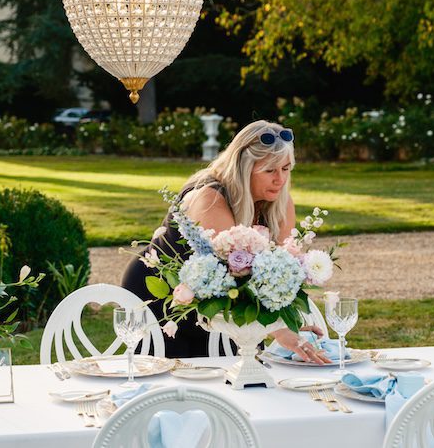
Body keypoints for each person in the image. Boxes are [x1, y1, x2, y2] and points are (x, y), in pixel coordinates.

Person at [122, 120, 331, 362]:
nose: (280, 179)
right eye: (270, 170)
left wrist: (286, 323)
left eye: (286, 169)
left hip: (221, 304)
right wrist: (280, 331)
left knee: (238, 377)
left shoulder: (280, 202)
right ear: (244, 168)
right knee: (172, 383)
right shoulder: (211, 197)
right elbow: (236, 273)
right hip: (163, 298)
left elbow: (279, 272)